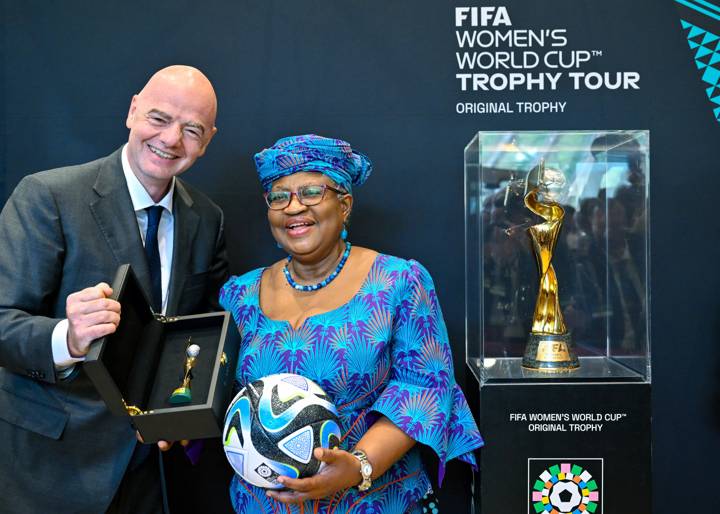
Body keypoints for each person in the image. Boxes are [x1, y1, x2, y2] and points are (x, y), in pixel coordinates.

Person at [0, 65, 229, 513]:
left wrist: (186, 411)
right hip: (49, 468)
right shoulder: (47, 195)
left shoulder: (208, 219)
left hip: (153, 470)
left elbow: (202, 332)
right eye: (160, 119)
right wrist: (68, 337)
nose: (170, 139)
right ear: (133, 111)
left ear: (208, 141)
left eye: (192, 129)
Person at [220, 134, 484, 513]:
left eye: (311, 192)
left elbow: (423, 391)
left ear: (344, 205)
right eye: (279, 196)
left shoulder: (398, 283)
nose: (293, 207)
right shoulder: (239, 295)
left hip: (374, 499)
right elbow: (216, 394)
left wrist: (357, 466)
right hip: (263, 504)